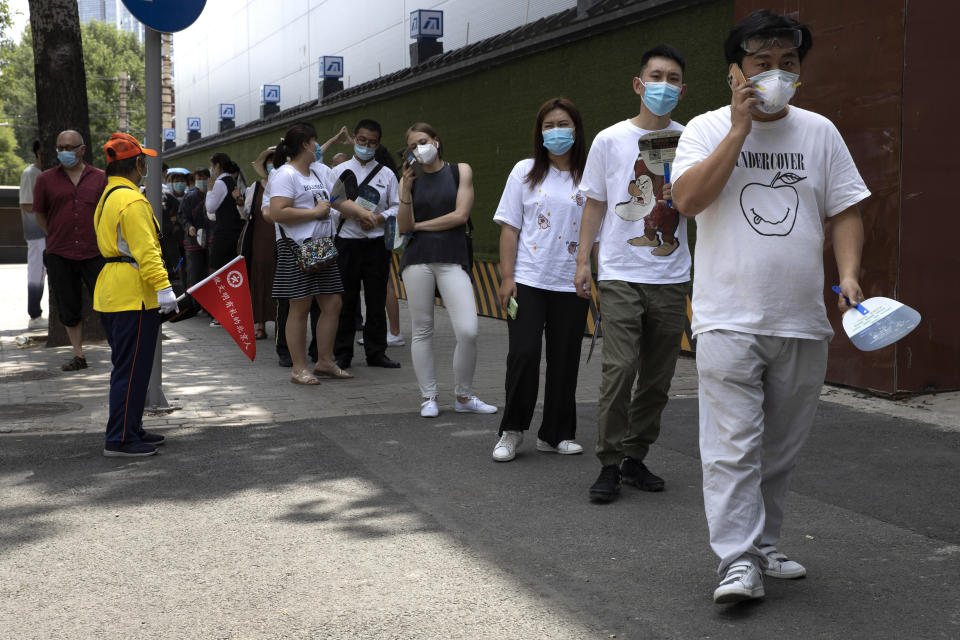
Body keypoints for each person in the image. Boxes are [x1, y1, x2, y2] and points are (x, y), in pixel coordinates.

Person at [671, 10, 869, 604]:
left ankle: (764, 544)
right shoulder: (705, 130)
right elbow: (686, 200)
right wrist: (739, 130)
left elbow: (845, 210)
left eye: (788, 64)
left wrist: (852, 275)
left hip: (802, 317)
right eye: (762, 64)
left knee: (780, 448)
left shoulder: (820, 132)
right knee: (732, 445)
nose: (777, 74)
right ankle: (736, 560)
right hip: (727, 316)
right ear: (736, 73)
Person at [573, 45, 691, 502]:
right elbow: (597, 203)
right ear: (639, 85)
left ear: (683, 90)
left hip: (671, 274)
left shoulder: (694, 137)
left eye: (673, 78)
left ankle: (634, 457)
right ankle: (607, 461)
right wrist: (583, 260)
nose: (664, 85)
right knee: (619, 369)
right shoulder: (609, 139)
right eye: (656, 76)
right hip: (621, 273)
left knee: (658, 377)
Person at [490, 97, 591, 462]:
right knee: (524, 353)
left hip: (572, 282)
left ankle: (557, 433)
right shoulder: (525, 171)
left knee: (565, 357)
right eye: (548, 126)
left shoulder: (590, 175)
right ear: (539, 132)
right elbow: (509, 228)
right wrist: (506, 277)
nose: (556, 131)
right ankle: (512, 430)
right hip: (528, 280)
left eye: (563, 124)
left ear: (576, 129)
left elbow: (598, 231)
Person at [398, 122, 497, 418]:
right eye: (413, 146)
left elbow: (460, 215)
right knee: (422, 329)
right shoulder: (409, 179)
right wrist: (404, 188)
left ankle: (463, 396)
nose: (419, 149)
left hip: (452, 257)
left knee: (468, 330)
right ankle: (428, 396)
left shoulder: (459, 171)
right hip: (417, 259)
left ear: (437, 141)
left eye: (423, 141)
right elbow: (403, 227)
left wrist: (419, 226)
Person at [265, 121, 372, 385]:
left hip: (322, 246)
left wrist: (365, 214)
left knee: (333, 303)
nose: (317, 146)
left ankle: (325, 361)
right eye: (315, 141)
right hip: (297, 247)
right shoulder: (285, 175)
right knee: (299, 306)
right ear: (306, 144)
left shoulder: (318, 173)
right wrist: (313, 213)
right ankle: (299, 368)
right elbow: (277, 212)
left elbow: (339, 201)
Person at [93, 133, 179, 457]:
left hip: (114, 290)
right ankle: (120, 438)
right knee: (131, 369)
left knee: (130, 367)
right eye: (144, 161)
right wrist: (165, 288)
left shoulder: (108, 196)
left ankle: (131, 427)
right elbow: (147, 252)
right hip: (134, 294)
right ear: (138, 164)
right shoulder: (132, 201)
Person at [32, 129, 108, 371]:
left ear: (82, 149)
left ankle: (118, 348)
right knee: (68, 305)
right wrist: (54, 234)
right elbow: (40, 213)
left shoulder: (100, 178)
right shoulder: (45, 179)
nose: (64, 152)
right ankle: (79, 355)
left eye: (69, 147)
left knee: (108, 300)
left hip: (95, 251)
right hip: (59, 252)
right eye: (60, 147)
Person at [332, 119, 402, 370]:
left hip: (376, 245)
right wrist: (353, 214)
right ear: (354, 138)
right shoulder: (338, 171)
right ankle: (342, 353)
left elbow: (396, 206)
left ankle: (376, 352)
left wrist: (378, 218)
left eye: (371, 143)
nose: (366, 146)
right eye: (362, 140)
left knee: (376, 299)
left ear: (378, 144)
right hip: (346, 243)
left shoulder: (387, 174)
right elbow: (330, 205)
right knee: (345, 300)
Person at [243, 147, 278, 340]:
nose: (273, 165)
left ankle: (282, 321)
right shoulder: (255, 187)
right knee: (260, 277)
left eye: (277, 161)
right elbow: (246, 214)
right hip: (260, 239)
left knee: (279, 278)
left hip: (282, 238)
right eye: (270, 162)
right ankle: (260, 324)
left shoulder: (287, 185)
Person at [19, 139, 47, 330]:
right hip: (37, 232)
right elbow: (25, 205)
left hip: (46, 232)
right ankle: (34, 315)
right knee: (36, 274)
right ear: (38, 151)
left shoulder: (44, 174)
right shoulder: (31, 174)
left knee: (43, 273)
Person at [176, 167, 210, 315]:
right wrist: (189, 227)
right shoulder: (189, 197)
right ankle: (193, 306)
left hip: (210, 241)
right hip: (193, 242)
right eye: (199, 178)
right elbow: (182, 216)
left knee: (209, 275)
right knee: (194, 275)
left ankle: (209, 307)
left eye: (204, 177)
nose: (202, 181)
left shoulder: (214, 195)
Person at [205, 152, 241, 272]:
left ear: (218, 166)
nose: (212, 169)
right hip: (234, 232)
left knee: (216, 271)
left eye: (213, 166)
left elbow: (210, 207)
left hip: (223, 234)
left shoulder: (220, 183)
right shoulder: (231, 180)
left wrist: (209, 190)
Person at [161, 168, 189, 289]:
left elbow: (181, 216)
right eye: (176, 181)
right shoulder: (166, 198)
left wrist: (176, 222)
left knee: (185, 268)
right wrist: (170, 225)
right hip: (169, 241)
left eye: (182, 181)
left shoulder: (187, 197)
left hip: (183, 240)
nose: (179, 183)